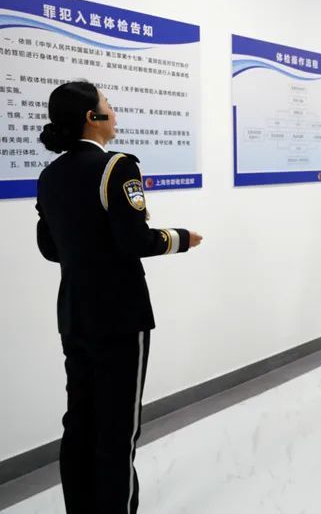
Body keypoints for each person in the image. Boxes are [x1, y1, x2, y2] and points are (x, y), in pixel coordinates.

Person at [35, 81, 202, 514]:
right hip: (120, 314)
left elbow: (49, 247)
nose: (114, 111)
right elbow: (134, 241)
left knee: (79, 424)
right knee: (117, 432)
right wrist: (181, 238)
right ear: (93, 118)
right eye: (107, 104)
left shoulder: (50, 175)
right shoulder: (116, 167)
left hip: (74, 311)